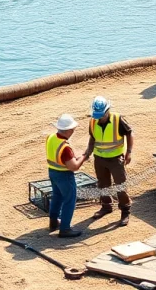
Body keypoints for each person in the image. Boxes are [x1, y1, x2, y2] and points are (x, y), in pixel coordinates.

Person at [84, 96, 134, 226]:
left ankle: (125, 211)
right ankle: (106, 206)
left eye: (102, 115)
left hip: (115, 159)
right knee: (102, 184)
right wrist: (88, 151)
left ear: (108, 110)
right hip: (99, 158)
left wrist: (129, 152)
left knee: (120, 186)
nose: (100, 118)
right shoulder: (93, 121)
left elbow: (129, 133)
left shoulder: (118, 120)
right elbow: (92, 138)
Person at [46, 113, 87, 238]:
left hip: (52, 172)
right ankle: (65, 228)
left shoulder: (51, 137)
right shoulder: (65, 148)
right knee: (69, 200)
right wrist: (83, 157)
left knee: (57, 196)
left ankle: (53, 222)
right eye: (73, 129)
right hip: (64, 176)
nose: (73, 131)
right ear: (68, 130)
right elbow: (73, 166)